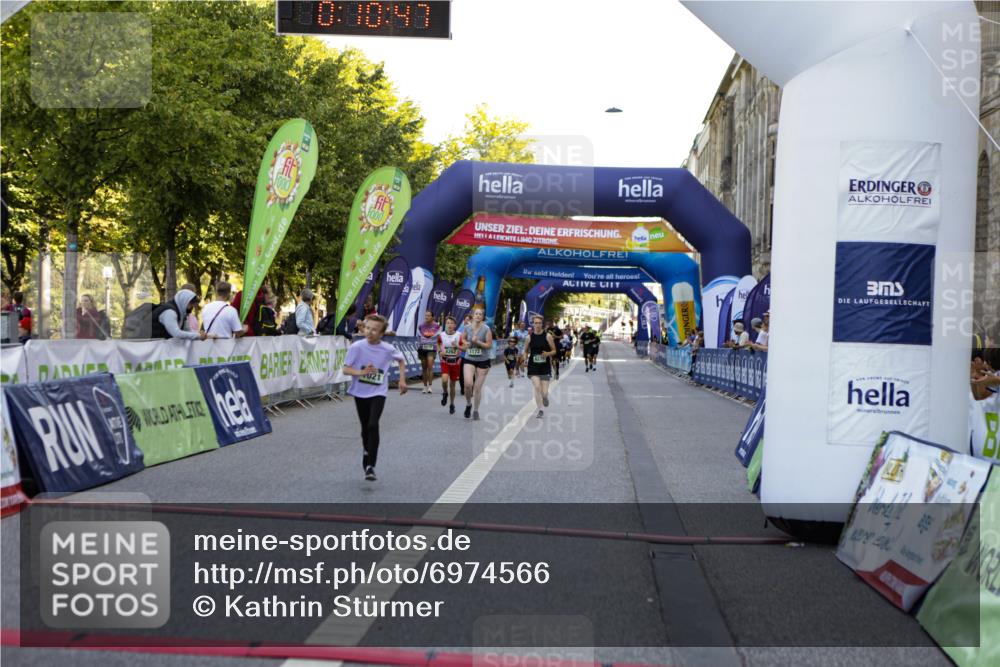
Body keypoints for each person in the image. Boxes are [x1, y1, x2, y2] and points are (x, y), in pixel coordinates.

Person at [342, 314, 408, 482]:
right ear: (364, 328)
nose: (370, 332)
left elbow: (401, 360)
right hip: (360, 392)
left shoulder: (387, 348)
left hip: (378, 391)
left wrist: (402, 380)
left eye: (375, 330)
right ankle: (366, 451)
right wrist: (361, 372)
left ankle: (371, 465)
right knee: (365, 428)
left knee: (373, 424)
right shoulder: (357, 347)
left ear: (381, 333)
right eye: (368, 328)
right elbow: (346, 369)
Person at [969, 336, 1000, 463]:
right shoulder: (996, 375)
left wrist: (995, 380)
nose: (985, 365)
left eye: (989, 340)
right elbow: (979, 396)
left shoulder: (996, 377)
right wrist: (973, 377)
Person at [460, 306, 493, 420]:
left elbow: (489, 345)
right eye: (476, 314)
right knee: (468, 384)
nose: (478, 316)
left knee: (477, 388)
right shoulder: (467, 327)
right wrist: (467, 342)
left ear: (483, 317)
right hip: (469, 358)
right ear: (473, 316)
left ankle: (476, 410)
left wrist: (477, 341)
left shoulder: (486, 329)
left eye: (480, 314)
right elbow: (463, 339)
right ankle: (469, 404)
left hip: (483, 360)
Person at [524, 314, 557, 418]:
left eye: (539, 323)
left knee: (544, 392)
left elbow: (554, 351)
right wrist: (525, 359)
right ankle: (540, 409)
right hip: (533, 365)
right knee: (537, 387)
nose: (537, 325)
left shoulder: (548, 336)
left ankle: (545, 397)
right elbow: (525, 351)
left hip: (544, 366)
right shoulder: (529, 337)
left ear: (542, 324)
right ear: (533, 324)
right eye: (535, 323)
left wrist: (547, 354)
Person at [437, 316, 463, 413]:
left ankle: (452, 404)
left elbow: (463, 345)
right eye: (448, 323)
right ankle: (444, 393)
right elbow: (438, 343)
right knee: (444, 380)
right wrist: (440, 352)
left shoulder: (459, 335)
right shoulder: (441, 335)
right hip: (445, 361)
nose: (450, 325)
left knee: (452, 386)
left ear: (455, 325)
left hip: (455, 362)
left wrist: (458, 348)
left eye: (452, 323)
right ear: (445, 324)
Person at [414, 310, 441, 394]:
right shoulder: (421, 326)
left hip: (432, 348)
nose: (427, 317)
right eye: (426, 316)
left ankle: (430, 386)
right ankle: (425, 386)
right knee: (424, 368)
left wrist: (439, 348)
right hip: (422, 348)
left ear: (433, 317)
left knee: (430, 365)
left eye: (429, 316)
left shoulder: (437, 326)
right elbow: (418, 336)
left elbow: (439, 337)